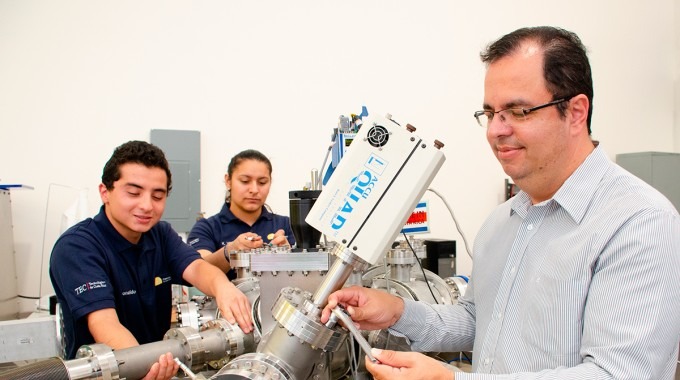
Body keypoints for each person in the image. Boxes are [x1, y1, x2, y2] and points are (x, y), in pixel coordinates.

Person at [321, 26, 680, 379]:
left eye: (518, 111)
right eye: (490, 113)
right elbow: (479, 321)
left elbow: (616, 374)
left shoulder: (639, 222)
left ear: (575, 112)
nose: (495, 130)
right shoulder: (502, 222)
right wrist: (398, 312)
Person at [50, 141, 253, 380]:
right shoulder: (77, 247)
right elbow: (105, 324)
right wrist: (144, 367)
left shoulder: (160, 234)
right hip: (110, 372)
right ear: (105, 192)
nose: (146, 206)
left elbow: (197, 268)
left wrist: (223, 287)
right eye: (134, 193)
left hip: (157, 368)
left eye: (158, 196)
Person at [188, 149, 295, 278]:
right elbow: (198, 270)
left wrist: (289, 257)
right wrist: (230, 251)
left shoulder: (287, 225)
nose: (254, 190)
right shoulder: (207, 228)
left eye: (262, 182)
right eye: (245, 181)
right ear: (228, 181)